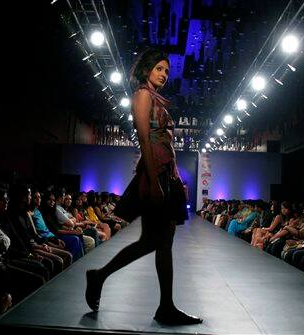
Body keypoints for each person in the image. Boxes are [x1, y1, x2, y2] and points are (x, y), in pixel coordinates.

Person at [85, 48, 202, 325]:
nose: (163, 74)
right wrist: (153, 179)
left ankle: (103, 277)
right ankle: (164, 307)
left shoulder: (156, 98)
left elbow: (162, 142)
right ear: (147, 68)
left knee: (157, 241)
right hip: (156, 175)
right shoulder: (142, 95)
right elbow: (144, 140)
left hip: (166, 175)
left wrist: (171, 179)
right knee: (159, 241)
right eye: (159, 68)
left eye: (166, 71)